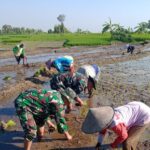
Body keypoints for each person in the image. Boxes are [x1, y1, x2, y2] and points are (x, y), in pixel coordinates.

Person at [82, 101, 150, 150]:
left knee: (127, 142)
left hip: (144, 115)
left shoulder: (115, 124)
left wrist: (112, 146)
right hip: (135, 106)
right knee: (132, 136)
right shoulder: (105, 118)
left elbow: (124, 136)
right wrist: (99, 143)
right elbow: (102, 131)